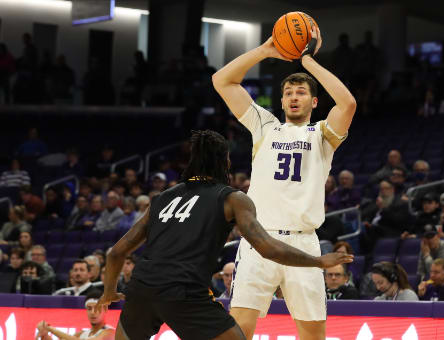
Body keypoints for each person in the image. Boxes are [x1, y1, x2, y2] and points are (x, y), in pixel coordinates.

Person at [96, 130, 352, 340]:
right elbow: (267, 247)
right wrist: (317, 261)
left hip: (142, 288)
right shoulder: (232, 198)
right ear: (223, 162)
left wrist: (109, 291)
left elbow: (117, 252)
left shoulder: (162, 198)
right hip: (184, 290)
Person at [212, 24, 356, 340]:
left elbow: (347, 104)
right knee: (237, 331)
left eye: (301, 92)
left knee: (313, 334)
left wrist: (308, 63)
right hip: (258, 240)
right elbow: (221, 80)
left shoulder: (322, 135)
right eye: (288, 92)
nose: (293, 97)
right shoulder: (265, 126)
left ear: (314, 102)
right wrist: (264, 50)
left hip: (303, 241)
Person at [35, 291, 115, 339]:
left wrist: (51, 329)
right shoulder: (81, 334)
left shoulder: (110, 332)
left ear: (105, 309)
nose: (93, 312)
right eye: (89, 308)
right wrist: (44, 334)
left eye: (97, 308)